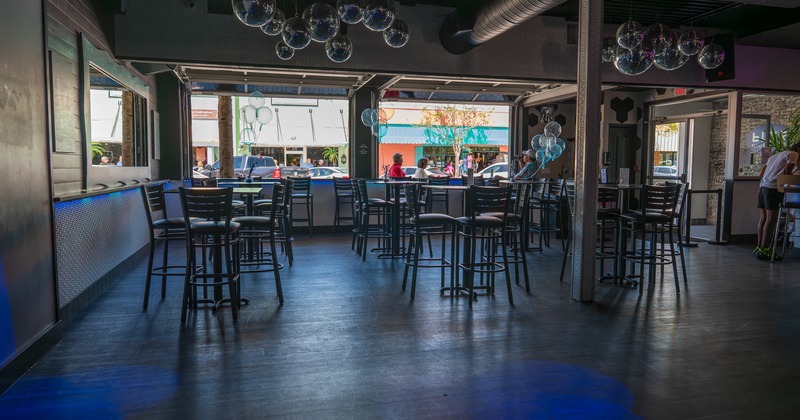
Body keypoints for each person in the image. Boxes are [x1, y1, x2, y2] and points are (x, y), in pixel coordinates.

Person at [754, 141, 800, 260]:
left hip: (763, 187)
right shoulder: (794, 154)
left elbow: (761, 173)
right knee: (771, 219)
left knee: (763, 218)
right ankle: (765, 249)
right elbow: (787, 172)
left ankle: (759, 247)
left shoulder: (776, 155)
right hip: (773, 189)